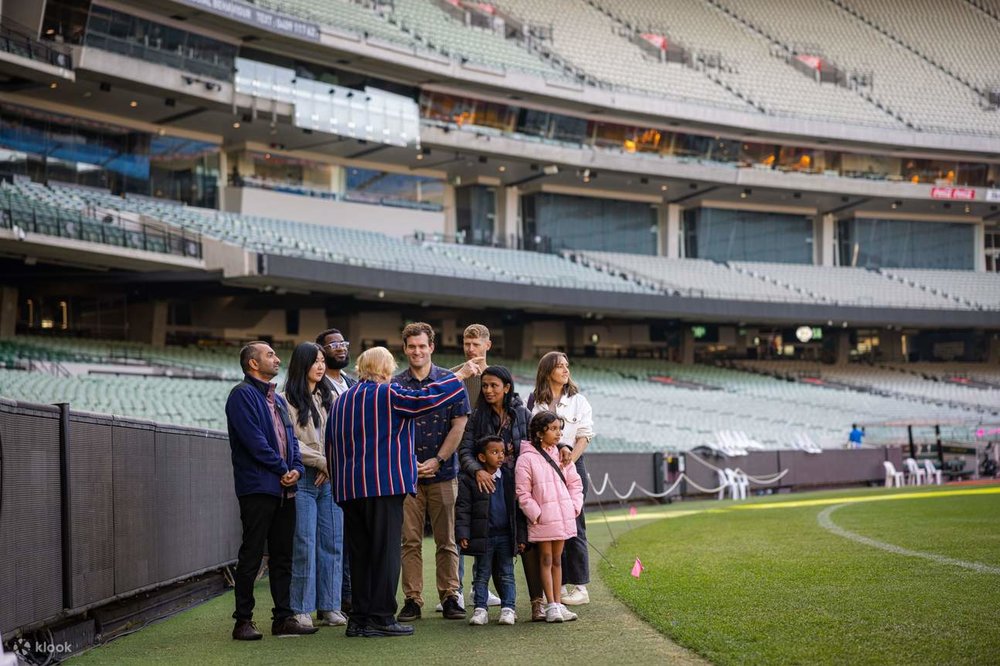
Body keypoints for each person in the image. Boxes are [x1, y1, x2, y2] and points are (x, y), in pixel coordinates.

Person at [326, 346, 481, 638]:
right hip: (383, 486)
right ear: (385, 370)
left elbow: (330, 446)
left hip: (348, 489)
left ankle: (358, 619)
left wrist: (339, 485)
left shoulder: (341, 400)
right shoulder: (388, 393)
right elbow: (426, 399)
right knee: (385, 553)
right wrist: (459, 375)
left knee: (359, 557)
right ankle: (382, 617)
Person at [225, 341, 315, 640]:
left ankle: (283, 618)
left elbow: (290, 441)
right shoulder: (242, 395)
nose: (277, 359)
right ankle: (243, 621)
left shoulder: (276, 400)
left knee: (283, 555)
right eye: (270, 355)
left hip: (284, 490)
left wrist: (296, 469)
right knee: (252, 554)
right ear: (253, 363)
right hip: (258, 489)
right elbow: (254, 443)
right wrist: (282, 469)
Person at [393, 323, 470, 623]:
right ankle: (412, 599)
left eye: (422, 346)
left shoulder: (452, 382)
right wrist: (410, 462)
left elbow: (459, 424)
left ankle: (450, 595)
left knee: (446, 539)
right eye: (411, 346)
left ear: (431, 347)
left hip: (444, 471)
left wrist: (439, 459)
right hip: (407, 475)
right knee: (409, 541)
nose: (417, 351)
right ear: (405, 348)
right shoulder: (395, 384)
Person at [458, 365, 543, 620]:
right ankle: (500, 605)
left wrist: (560, 446)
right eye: (484, 385)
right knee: (496, 545)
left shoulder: (522, 413)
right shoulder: (477, 416)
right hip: (489, 487)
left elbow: (537, 443)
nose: (488, 390)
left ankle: (537, 601)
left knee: (527, 543)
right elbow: (465, 451)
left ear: (507, 387)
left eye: (494, 385)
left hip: (520, 486)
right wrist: (477, 471)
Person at [281, 342, 345, 629]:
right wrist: (322, 462)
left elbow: (340, 436)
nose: (321, 366)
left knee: (332, 543)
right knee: (304, 544)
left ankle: (330, 606)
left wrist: (329, 465)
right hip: (304, 479)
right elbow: (290, 442)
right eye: (315, 361)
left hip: (330, 479)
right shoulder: (285, 400)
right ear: (301, 364)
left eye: (322, 361)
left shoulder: (329, 398)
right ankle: (302, 608)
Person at [529, 351, 594, 606]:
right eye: (560, 366)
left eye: (567, 366)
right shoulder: (534, 401)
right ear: (547, 372)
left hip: (572, 466)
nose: (566, 370)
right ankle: (557, 587)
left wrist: (569, 458)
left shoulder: (579, 400)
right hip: (543, 469)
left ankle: (580, 586)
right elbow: (532, 434)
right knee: (549, 527)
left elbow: (584, 436)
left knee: (574, 524)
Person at [515, 411, 584, 624]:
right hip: (543, 520)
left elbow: (575, 483)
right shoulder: (526, 459)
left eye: (559, 429)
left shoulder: (562, 455)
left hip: (562, 516)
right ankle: (551, 604)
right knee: (545, 559)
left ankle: (557, 603)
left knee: (557, 559)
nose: (558, 433)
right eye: (553, 429)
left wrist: (573, 507)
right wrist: (536, 514)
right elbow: (522, 493)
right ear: (539, 432)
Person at [455, 435, 527, 626]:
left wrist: (520, 536)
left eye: (502, 452)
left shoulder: (509, 477)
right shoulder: (469, 480)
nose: (500, 456)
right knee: (481, 573)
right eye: (494, 452)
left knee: (507, 573)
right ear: (481, 457)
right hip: (484, 536)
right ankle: (480, 609)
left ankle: (508, 608)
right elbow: (463, 508)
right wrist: (463, 533)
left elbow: (517, 510)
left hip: (505, 536)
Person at [315, 327, 356, 613]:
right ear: (321, 352)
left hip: (354, 471)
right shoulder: (315, 385)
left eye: (343, 343)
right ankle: (333, 601)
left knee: (352, 539)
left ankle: (350, 597)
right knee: (331, 541)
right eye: (333, 345)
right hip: (327, 471)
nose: (340, 348)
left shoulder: (352, 383)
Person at [451, 324, 491, 409]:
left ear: (488, 345)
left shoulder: (497, 377)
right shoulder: (451, 375)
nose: (470, 349)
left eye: (476, 345)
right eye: (467, 344)